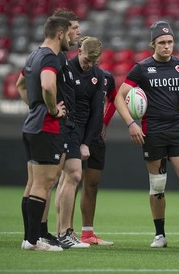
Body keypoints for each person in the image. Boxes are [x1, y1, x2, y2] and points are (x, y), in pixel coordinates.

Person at [114, 21, 179, 248]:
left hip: (178, 132)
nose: (167, 46)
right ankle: (160, 235)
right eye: (162, 43)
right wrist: (131, 124)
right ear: (153, 44)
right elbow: (119, 97)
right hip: (153, 133)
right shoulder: (142, 68)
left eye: (170, 42)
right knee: (158, 185)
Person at [16, 16, 70, 251]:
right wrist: (50, 109)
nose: (70, 38)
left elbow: (20, 84)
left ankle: (30, 237)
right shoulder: (50, 57)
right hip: (46, 127)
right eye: (69, 34)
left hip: (31, 125)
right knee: (44, 184)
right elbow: (48, 85)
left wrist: (35, 106)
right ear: (60, 34)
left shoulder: (33, 54)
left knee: (32, 184)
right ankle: (33, 241)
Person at [56, 36, 105, 248]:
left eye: (93, 61)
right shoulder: (65, 68)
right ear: (78, 53)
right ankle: (63, 232)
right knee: (71, 176)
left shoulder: (98, 75)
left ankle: (63, 232)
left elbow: (97, 114)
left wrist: (86, 143)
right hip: (67, 126)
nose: (89, 64)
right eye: (86, 60)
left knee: (67, 179)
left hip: (84, 131)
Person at [78, 68, 117, 246]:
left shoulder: (106, 77)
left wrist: (104, 122)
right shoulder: (70, 72)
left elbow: (114, 99)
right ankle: (65, 231)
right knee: (69, 181)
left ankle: (87, 233)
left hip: (95, 137)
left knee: (92, 184)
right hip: (75, 133)